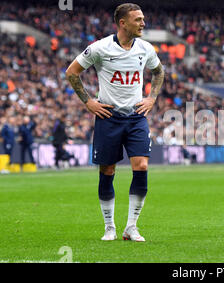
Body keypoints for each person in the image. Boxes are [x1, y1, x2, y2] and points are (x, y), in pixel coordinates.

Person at [65, 3, 164, 242]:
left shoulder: (145, 48)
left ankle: (131, 226)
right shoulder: (99, 48)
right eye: (138, 19)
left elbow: (159, 72)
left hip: (136, 117)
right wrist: (89, 102)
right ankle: (109, 226)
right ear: (123, 23)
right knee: (107, 170)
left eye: (143, 19)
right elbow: (71, 72)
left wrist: (151, 98)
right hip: (108, 117)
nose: (143, 23)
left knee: (141, 166)